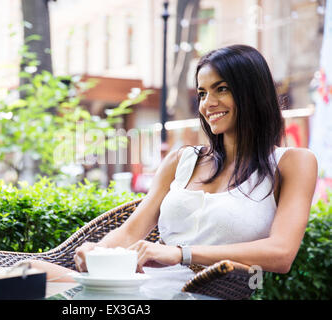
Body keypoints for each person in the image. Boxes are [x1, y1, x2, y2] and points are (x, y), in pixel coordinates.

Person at [24, 44, 318, 297]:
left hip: (196, 294)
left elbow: (281, 254)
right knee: (25, 272)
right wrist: (96, 253)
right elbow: (131, 230)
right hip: (134, 287)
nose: (207, 104)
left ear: (252, 93)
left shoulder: (292, 162)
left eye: (222, 89)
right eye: (202, 93)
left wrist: (180, 254)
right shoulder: (182, 160)